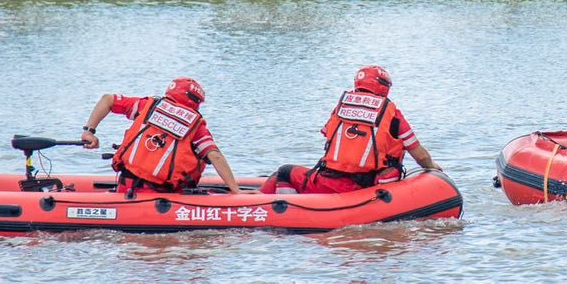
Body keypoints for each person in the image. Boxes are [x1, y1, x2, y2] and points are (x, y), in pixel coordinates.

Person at [263, 65, 442, 195]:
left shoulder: (341, 108)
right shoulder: (392, 114)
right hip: (370, 185)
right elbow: (421, 156)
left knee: (284, 172)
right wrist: (432, 167)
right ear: (384, 86)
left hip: (332, 181)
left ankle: (283, 213)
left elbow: (329, 135)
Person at [81, 77, 242, 194]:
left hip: (126, 183)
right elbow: (214, 156)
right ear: (195, 102)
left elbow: (108, 99)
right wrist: (235, 190)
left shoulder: (148, 106)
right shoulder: (195, 125)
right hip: (159, 193)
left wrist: (89, 131)